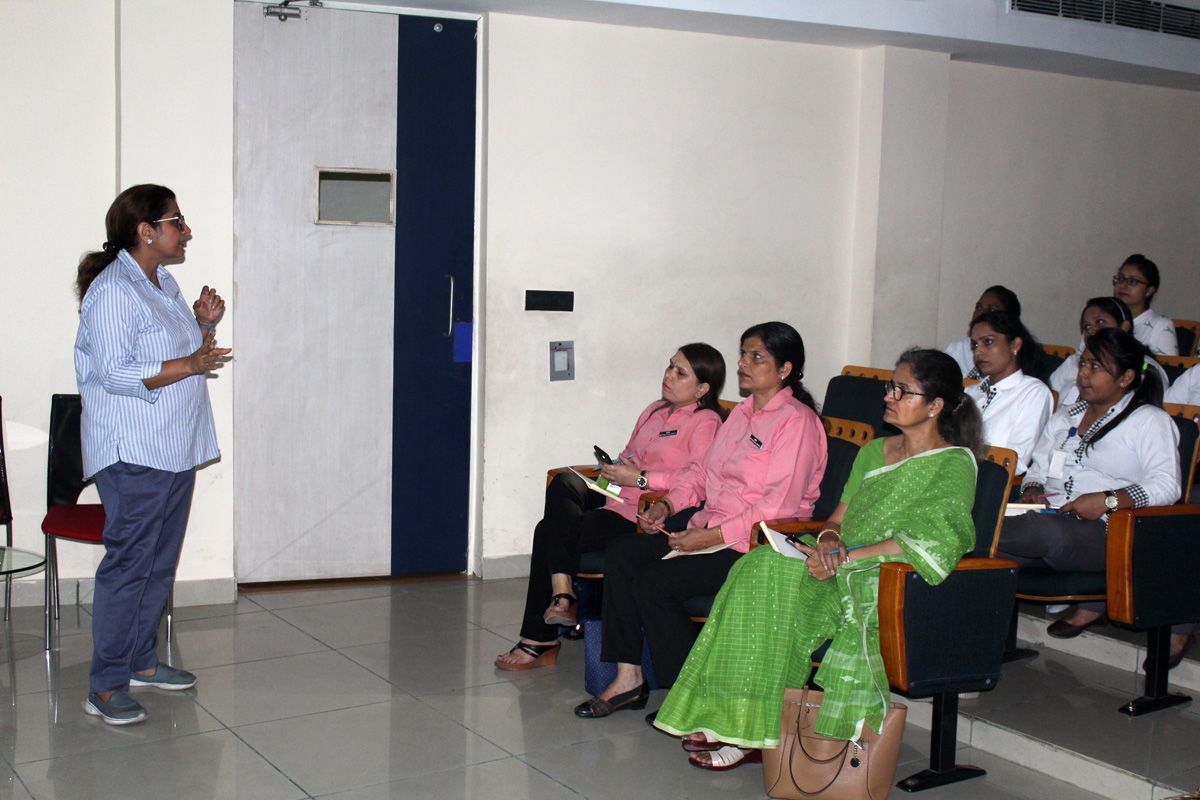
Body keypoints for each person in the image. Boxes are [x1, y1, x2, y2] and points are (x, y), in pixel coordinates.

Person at [653, 348, 982, 770]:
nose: (889, 396)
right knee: (759, 565)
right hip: (839, 561)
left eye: (903, 390)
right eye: (890, 387)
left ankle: (750, 728)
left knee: (773, 586)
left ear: (935, 405)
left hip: (886, 578)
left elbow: (930, 540)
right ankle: (734, 715)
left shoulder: (954, 464)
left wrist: (844, 559)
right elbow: (838, 520)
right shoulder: (874, 451)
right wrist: (827, 542)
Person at [572, 322, 827, 718]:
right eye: (743, 354)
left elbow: (776, 510)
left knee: (656, 583)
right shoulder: (741, 414)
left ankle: (690, 697)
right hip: (709, 528)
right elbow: (702, 476)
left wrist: (710, 537)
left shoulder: (797, 423)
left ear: (785, 369)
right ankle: (628, 679)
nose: (742, 363)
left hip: (754, 546)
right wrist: (667, 506)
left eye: (756, 356)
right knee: (623, 553)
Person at [74, 184, 230, 725]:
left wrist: (203, 325)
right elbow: (115, 372)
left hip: (173, 446)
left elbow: (176, 354)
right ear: (146, 231)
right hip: (134, 450)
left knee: (158, 564)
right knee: (129, 566)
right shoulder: (113, 291)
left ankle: (141, 662)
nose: (185, 231)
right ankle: (105, 685)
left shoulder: (161, 281)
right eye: (176, 221)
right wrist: (190, 363)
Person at [494, 344, 726, 670]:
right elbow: (630, 452)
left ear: (702, 389)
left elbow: (698, 479)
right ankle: (562, 593)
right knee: (565, 482)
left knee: (547, 530)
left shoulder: (706, 422)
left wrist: (641, 478)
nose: (668, 375)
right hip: (617, 491)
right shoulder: (654, 410)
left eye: (680, 372)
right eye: (670, 366)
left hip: (641, 510)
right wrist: (615, 468)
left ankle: (544, 630)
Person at [996, 328, 1190, 665]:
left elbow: (1167, 485)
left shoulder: (1149, 421)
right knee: (991, 555)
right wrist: (1033, 490)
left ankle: (960, 529)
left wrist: (1108, 500)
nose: (1083, 373)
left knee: (1030, 530)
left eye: (1096, 366)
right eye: (1083, 363)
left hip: (1109, 529)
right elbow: (1039, 468)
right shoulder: (1066, 416)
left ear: (1126, 378)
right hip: (1053, 519)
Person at [965, 311, 1053, 472]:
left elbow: (1016, 461)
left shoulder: (1033, 392)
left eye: (988, 342)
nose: (978, 352)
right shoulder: (969, 392)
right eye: (975, 345)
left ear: (1015, 345)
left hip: (990, 480)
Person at [1047, 297, 1168, 407]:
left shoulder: (1142, 365)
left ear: (1124, 326)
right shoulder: (1073, 361)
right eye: (1087, 326)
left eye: (1100, 322)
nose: (1091, 330)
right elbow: (1049, 399)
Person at [945, 286, 1021, 378]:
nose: (981, 313)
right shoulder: (957, 349)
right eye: (978, 307)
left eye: (988, 341)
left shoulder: (1028, 379)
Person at [1113, 254, 1177, 356]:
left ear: (1149, 290)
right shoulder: (1104, 319)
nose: (1123, 285)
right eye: (1120, 279)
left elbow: (1166, 365)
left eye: (1133, 281)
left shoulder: (1161, 325)